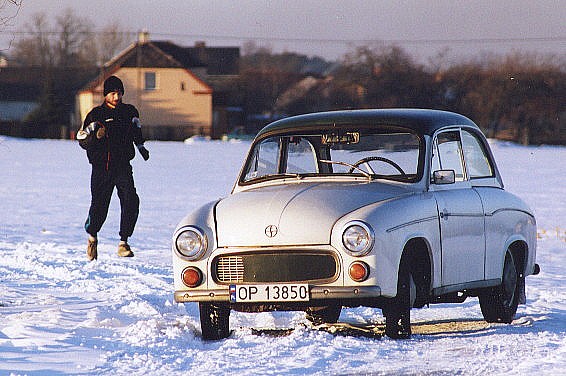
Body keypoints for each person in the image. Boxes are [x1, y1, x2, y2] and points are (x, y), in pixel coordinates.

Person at [77, 75, 150, 261]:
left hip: (123, 166)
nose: (116, 97)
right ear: (106, 95)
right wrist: (96, 137)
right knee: (100, 206)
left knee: (131, 200)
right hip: (102, 168)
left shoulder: (130, 112)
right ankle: (92, 236)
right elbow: (82, 140)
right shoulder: (96, 115)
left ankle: (123, 242)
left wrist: (141, 147)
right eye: (112, 93)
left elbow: (136, 131)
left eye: (119, 93)